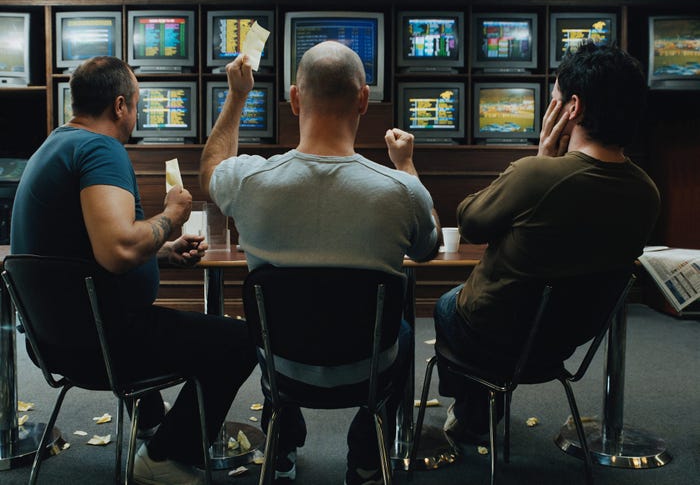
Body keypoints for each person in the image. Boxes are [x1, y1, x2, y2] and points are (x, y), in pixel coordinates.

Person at [200, 41, 440, 485]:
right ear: (364, 99)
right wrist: (406, 165)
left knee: (275, 326)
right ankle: (368, 458)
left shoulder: (249, 180)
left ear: (294, 99)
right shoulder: (400, 191)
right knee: (403, 330)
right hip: (368, 369)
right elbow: (428, 246)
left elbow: (211, 167)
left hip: (283, 366)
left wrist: (236, 96)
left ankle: (283, 446)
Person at [11, 56, 257, 485]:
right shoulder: (98, 148)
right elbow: (119, 251)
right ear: (120, 105)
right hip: (102, 347)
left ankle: (149, 430)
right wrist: (172, 217)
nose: (137, 114)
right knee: (238, 341)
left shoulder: (54, 145)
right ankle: (162, 456)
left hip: (51, 343)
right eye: (138, 104)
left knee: (148, 322)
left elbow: (81, 253)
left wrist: (161, 250)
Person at [433, 42, 661, 444]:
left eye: (554, 99)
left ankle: (473, 415)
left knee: (446, 304)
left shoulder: (536, 176)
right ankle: (480, 403)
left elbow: (470, 223)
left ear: (572, 109)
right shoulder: (647, 192)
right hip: (561, 347)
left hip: (494, 336)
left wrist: (540, 157)